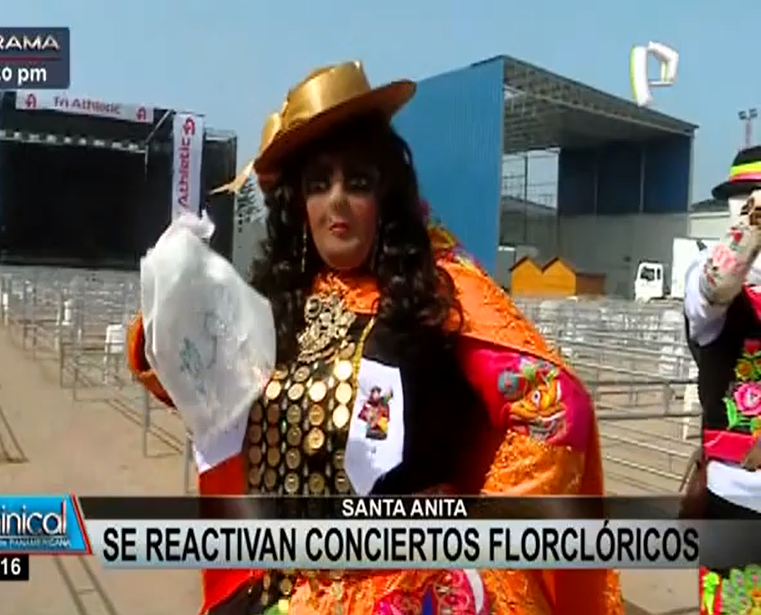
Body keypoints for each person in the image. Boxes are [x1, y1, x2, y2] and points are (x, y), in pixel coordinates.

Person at [127, 61, 622, 615]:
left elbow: (555, 407)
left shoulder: (438, 292)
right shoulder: (278, 302)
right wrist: (168, 316)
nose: (337, 200)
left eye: (357, 182)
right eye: (319, 184)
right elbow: (208, 394)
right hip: (276, 591)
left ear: (386, 197)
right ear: (299, 206)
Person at [684, 146, 761, 615]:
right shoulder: (705, 272)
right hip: (737, 497)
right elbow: (717, 286)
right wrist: (754, 224)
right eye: (744, 200)